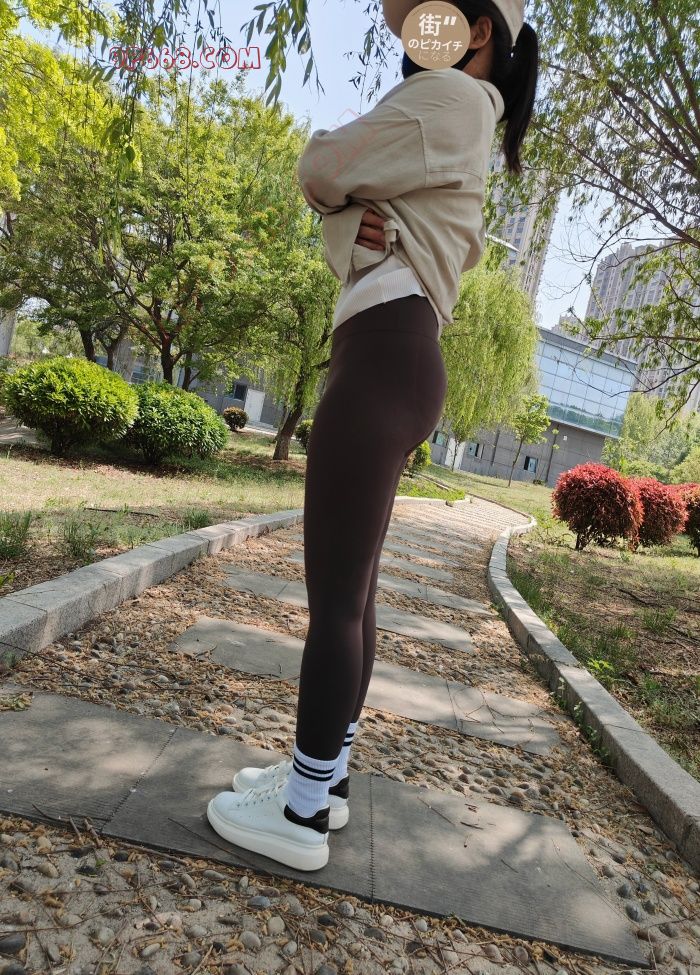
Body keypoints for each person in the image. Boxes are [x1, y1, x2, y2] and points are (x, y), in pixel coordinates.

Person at [206, 0, 538, 872]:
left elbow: (322, 163)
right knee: (354, 596)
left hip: (384, 353)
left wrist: (338, 207)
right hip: (397, 352)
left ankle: (300, 814)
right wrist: (348, 222)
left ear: (479, 32)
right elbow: (353, 219)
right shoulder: (466, 113)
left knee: (335, 602)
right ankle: (326, 778)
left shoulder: (450, 99)